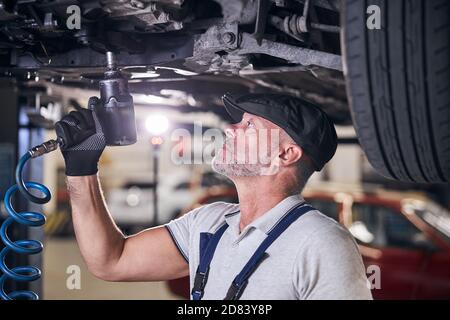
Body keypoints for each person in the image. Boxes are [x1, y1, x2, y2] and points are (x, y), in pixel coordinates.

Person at [55, 93, 372, 300]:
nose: (231, 129)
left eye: (249, 125)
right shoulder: (209, 222)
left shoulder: (320, 242)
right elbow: (112, 261)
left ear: (285, 154)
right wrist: (82, 167)